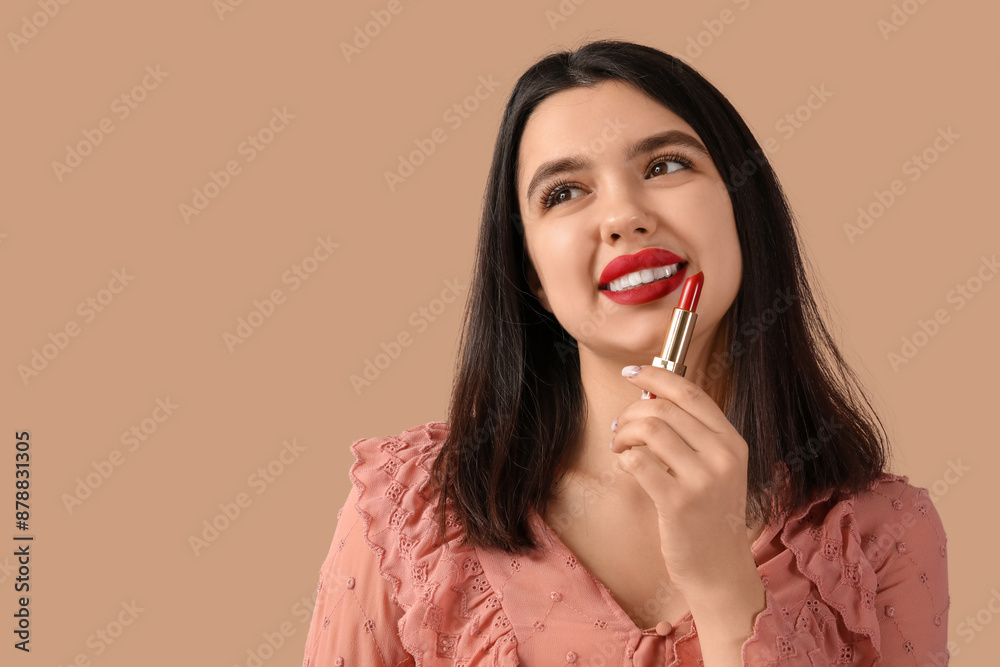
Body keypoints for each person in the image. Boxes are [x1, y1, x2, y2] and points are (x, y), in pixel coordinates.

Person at [302, 39, 949, 666]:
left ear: (742, 207)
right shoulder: (403, 513)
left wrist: (725, 581)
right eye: (564, 192)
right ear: (531, 273)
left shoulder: (884, 534)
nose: (623, 215)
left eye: (665, 166)